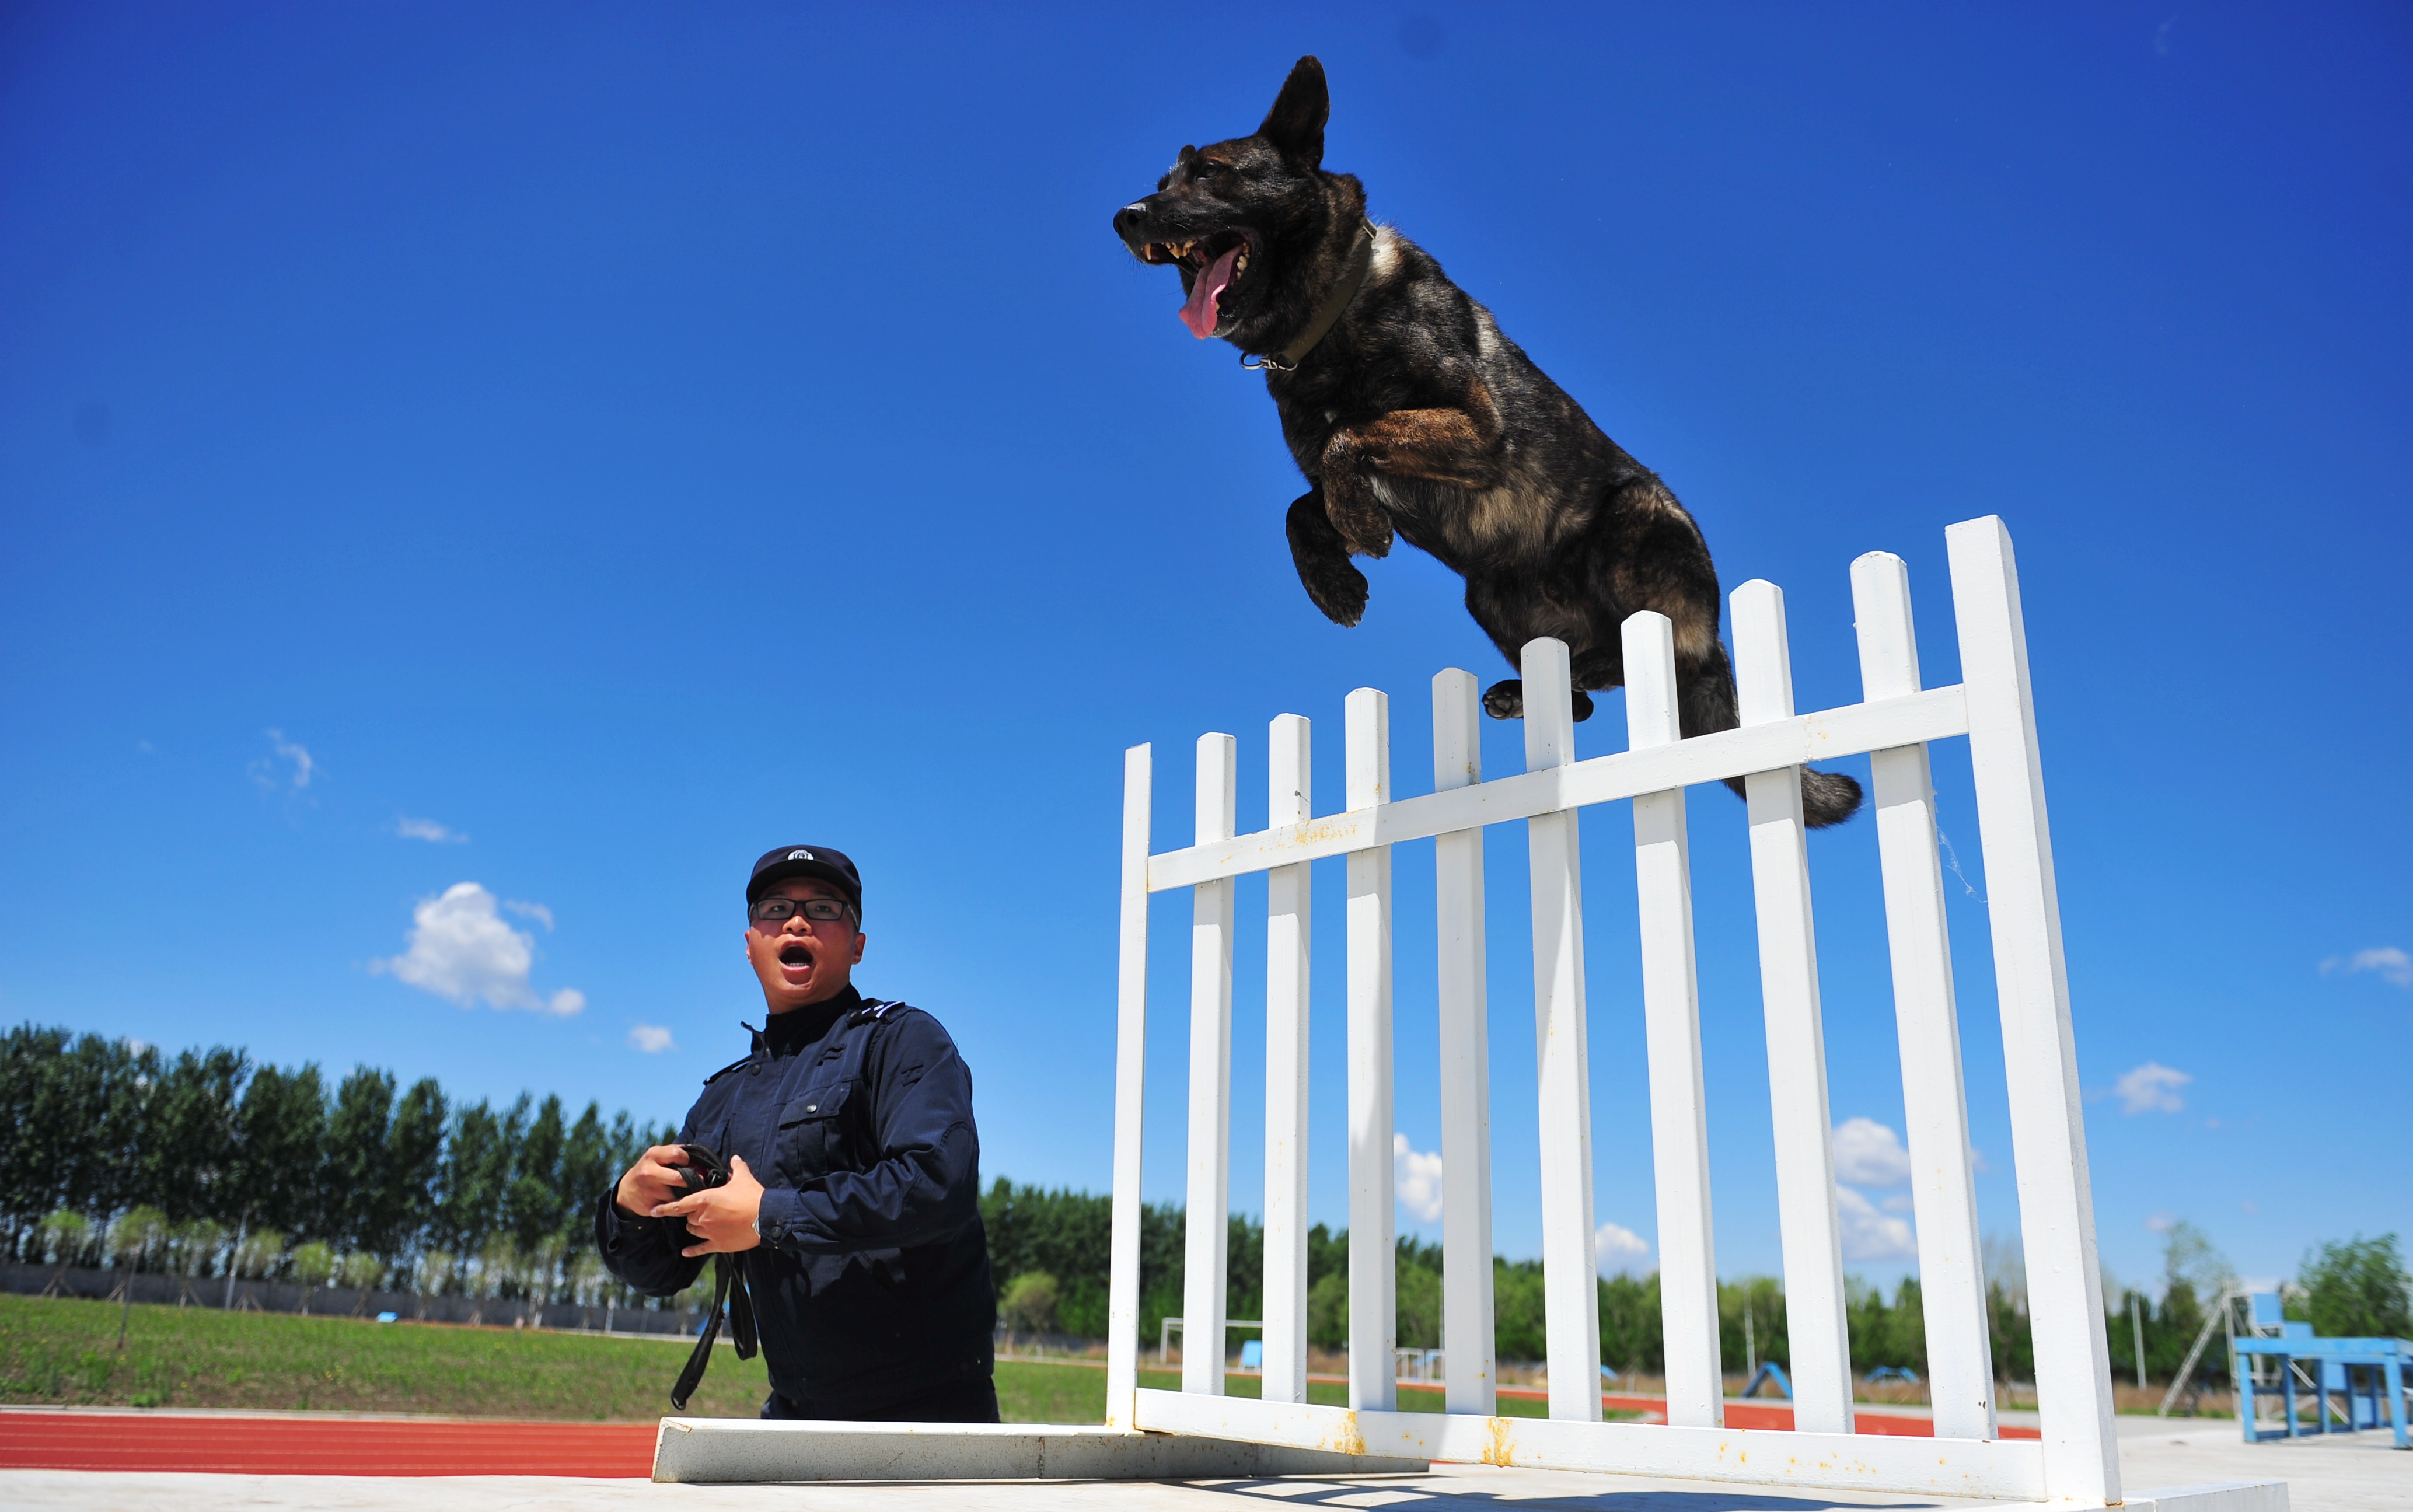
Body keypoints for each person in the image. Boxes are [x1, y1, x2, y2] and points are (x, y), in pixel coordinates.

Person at [595, 844, 998, 1421]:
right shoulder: (723, 1097)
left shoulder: (902, 1041)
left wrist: (767, 1214)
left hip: (930, 1412)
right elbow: (664, 1268)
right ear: (751, 942)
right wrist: (626, 1209)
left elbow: (938, 1184)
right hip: (795, 1414)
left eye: (825, 907)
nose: (797, 919)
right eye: (776, 905)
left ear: (858, 946)